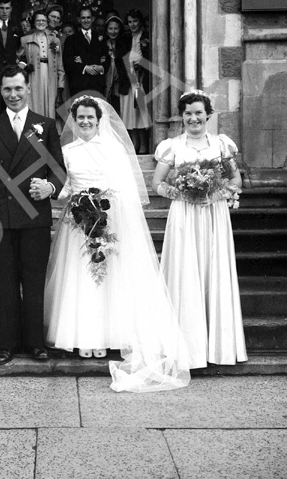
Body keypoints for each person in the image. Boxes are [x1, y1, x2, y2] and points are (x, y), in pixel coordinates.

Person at [44, 96, 190, 393]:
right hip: (78, 223)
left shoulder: (113, 150)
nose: (85, 122)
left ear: (99, 121)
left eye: (90, 118)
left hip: (109, 220)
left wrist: (106, 214)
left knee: (109, 279)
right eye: (80, 118)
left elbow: (124, 190)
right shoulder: (66, 151)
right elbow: (65, 187)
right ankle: (84, 337)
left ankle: (108, 337)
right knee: (81, 277)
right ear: (73, 120)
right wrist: (72, 200)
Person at [0, 65, 65, 365]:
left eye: (18, 88)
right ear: (0, 91)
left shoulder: (46, 126)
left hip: (34, 215)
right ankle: (7, 343)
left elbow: (59, 171)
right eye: (7, 89)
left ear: (28, 88)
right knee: (7, 281)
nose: (13, 94)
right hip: (1, 215)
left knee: (34, 280)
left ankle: (36, 343)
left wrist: (50, 187)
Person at [152, 90, 247, 369]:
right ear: (182, 117)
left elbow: (236, 179)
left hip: (213, 214)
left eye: (198, 112)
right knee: (186, 272)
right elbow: (156, 182)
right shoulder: (172, 146)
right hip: (184, 215)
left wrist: (218, 193)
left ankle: (218, 348)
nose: (193, 118)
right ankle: (187, 349)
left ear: (208, 114)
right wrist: (181, 193)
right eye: (188, 113)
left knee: (212, 269)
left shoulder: (220, 145)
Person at [18, 9, 65, 118]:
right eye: (38, 20)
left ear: (47, 22)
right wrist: (25, 68)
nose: (41, 22)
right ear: (34, 23)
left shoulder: (55, 40)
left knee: (51, 107)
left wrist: (61, 84)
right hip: (33, 76)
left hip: (50, 77)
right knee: (34, 104)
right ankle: (35, 134)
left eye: (43, 20)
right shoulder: (25, 40)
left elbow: (59, 64)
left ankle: (49, 134)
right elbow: (19, 60)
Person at [122, 9, 151, 153]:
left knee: (141, 109)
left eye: (135, 21)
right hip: (128, 77)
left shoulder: (146, 36)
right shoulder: (126, 38)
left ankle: (144, 143)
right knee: (129, 111)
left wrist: (143, 65)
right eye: (130, 22)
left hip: (141, 77)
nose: (133, 24)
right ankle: (134, 142)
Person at [63, 7, 107, 95]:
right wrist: (85, 68)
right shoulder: (71, 39)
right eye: (83, 18)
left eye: (88, 17)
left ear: (93, 19)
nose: (86, 20)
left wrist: (101, 68)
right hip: (79, 85)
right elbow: (67, 61)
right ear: (79, 19)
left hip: (97, 84)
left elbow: (107, 58)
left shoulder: (101, 37)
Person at [102, 15, 130, 115]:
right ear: (106, 30)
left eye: (116, 28)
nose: (113, 31)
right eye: (110, 28)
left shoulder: (125, 45)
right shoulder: (102, 44)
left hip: (121, 84)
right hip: (106, 84)